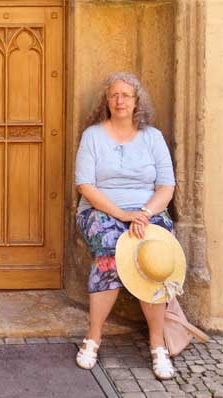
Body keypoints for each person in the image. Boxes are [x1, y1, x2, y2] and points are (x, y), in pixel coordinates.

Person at [74, 72, 177, 379]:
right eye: (114, 95)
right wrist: (121, 214)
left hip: (147, 211)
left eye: (126, 96)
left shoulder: (153, 137)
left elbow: (166, 187)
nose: (119, 101)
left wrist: (143, 213)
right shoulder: (93, 135)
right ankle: (93, 338)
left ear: (137, 102)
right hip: (99, 210)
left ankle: (157, 345)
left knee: (154, 255)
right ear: (107, 101)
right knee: (109, 251)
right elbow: (85, 186)